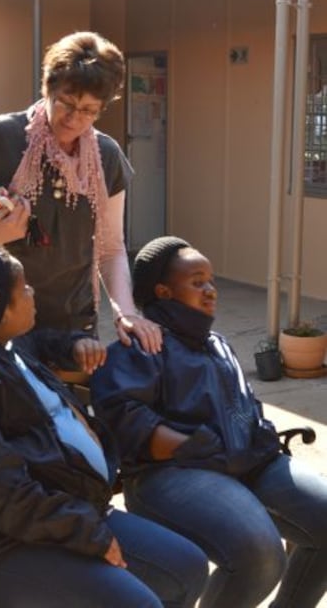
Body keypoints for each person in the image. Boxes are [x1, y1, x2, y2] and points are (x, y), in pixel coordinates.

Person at [0, 243, 208, 608]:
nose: (32, 292)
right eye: (23, 289)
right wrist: (87, 533)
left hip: (60, 512)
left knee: (188, 567)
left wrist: (74, 345)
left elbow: (40, 341)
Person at [90, 235, 327, 608]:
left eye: (211, 280)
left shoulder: (218, 343)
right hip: (175, 472)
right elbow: (122, 416)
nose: (211, 290)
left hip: (248, 462)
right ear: (164, 291)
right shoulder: (142, 345)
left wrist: (259, 438)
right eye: (197, 281)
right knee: (260, 554)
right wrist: (187, 444)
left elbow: (245, 406)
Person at [0, 31, 161, 355]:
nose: (74, 118)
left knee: (66, 405)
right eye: (67, 103)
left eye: (89, 110)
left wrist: (126, 312)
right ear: (48, 89)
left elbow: (111, 248)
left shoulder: (106, 156)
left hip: (73, 324)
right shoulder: (1, 137)